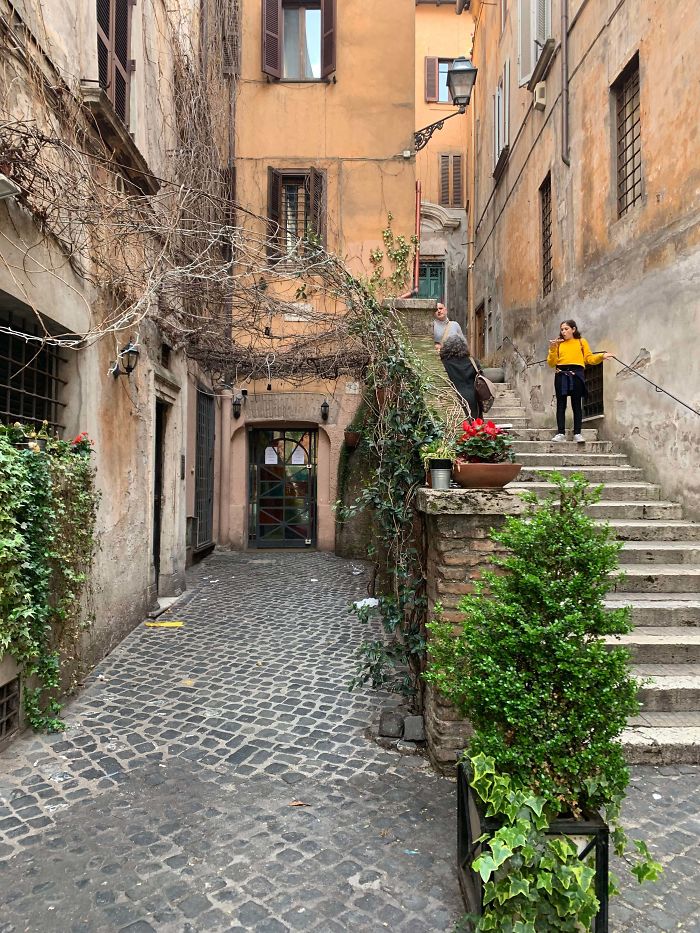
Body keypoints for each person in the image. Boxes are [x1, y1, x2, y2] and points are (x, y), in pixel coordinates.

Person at [547, 320, 613, 443]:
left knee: (576, 404)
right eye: (562, 329)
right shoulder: (558, 344)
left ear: (573, 329)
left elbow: (588, 358)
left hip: (576, 374)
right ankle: (560, 433)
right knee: (561, 405)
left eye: (566, 329)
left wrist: (601, 356)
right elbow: (551, 363)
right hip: (561, 374)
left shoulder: (581, 342)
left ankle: (577, 433)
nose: (563, 331)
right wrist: (552, 349)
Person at [439, 334, 482, 419]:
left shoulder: (443, 363)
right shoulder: (473, 362)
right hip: (472, 399)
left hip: (452, 397)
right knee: (473, 427)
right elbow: (481, 378)